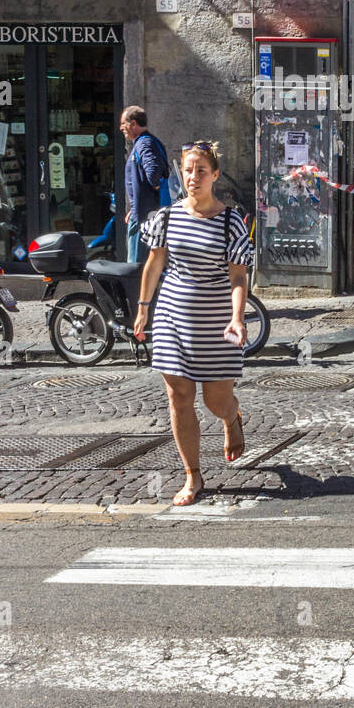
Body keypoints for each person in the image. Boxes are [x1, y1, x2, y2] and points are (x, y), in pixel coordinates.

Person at [133, 140, 254, 506]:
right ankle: (193, 475)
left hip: (216, 321)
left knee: (216, 401)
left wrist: (237, 318)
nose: (193, 177)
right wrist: (143, 308)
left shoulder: (230, 221)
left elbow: (237, 278)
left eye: (201, 171)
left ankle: (231, 419)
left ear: (215, 175)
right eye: (188, 170)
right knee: (178, 397)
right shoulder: (166, 217)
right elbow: (154, 264)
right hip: (172, 316)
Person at [120, 106, 171, 263]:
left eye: (123, 123)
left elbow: (154, 172)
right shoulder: (147, 142)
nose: (121, 128)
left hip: (144, 216)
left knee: (136, 267)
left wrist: (143, 202)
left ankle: (138, 289)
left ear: (133, 123)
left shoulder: (145, 144)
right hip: (143, 213)